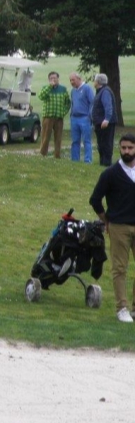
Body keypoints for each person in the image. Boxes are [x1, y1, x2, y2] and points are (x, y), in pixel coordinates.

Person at [89, 133, 135, 323]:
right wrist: (106, 220)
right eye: (123, 148)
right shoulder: (110, 173)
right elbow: (95, 200)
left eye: (130, 148)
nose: (126, 151)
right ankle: (122, 308)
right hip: (118, 227)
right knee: (119, 269)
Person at [38, 71, 71, 158]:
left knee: (58, 138)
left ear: (58, 79)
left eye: (55, 78)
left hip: (59, 117)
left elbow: (68, 102)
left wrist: (63, 112)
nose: (53, 80)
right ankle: (42, 154)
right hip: (48, 117)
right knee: (45, 136)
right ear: (49, 80)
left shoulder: (63, 89)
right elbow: (41, 96)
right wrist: (50, 86)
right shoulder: (46, 88)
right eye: (51, 78)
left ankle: (57, 155)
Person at [92, 73, 118, 167]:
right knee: (101, 144)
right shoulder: (100, 91)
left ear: (98, 82)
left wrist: (106, 119)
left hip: (105, 123)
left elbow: (108, 107)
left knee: (106, 143)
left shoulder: (105, 91)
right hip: (100, 122)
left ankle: (106, 163)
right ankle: (102, 163)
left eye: (95, 80)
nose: (94, 82)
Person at [68, 72, 95, 163]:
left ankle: (88, 160)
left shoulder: (87, 88)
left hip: (84, 117)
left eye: (73, 80)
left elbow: (92, 102)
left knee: (86, 140)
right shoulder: (73, 91)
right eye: (70, 80)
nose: (72, 82)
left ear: (79, 79)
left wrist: (89, 116)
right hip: (74, 118)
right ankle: (75, 160)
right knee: (75, 140)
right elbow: (73, 103)